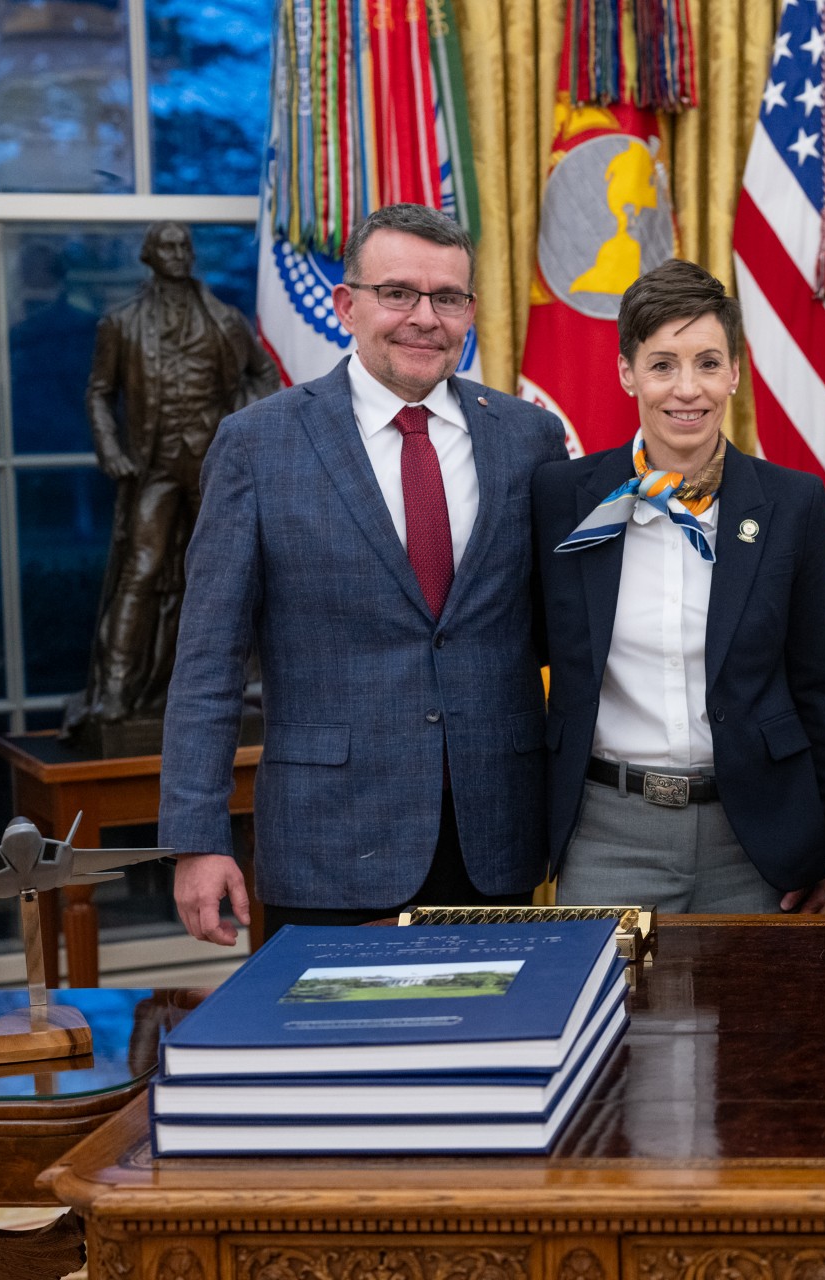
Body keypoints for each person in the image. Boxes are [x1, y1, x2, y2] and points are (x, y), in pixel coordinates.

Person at [161, 203, 568, 942]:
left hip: (498, 834)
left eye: (447, 298)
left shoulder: (530, 438)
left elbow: (561, 631)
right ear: (347, 305)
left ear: (471, 312)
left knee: (494, 1019)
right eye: (398, 293)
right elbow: (207, 660)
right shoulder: (258, 445)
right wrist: (197, 837)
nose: (425, 318)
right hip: (328, 841)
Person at [533, 259, 825, 912]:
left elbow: (816, 687)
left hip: (756, 835)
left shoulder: (794, 504)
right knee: (606, 984)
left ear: (735, 372)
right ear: (628, 372)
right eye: (662, 365)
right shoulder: (561, 498)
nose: (687, 389)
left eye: (707, 363)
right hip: (607, 832)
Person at [65, 222, 279, 741]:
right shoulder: (121, 323)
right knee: (140, 571)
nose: (180, 253)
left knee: (224, 577)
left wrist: (238, 425)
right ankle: (116, 691)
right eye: (169, 246)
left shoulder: (224, 320)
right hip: (155, 468)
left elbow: (264, 374)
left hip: (213, 467)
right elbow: (99, 392)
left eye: (185, 246)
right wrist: (111, 450)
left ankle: (218, 687)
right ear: (149, 255)